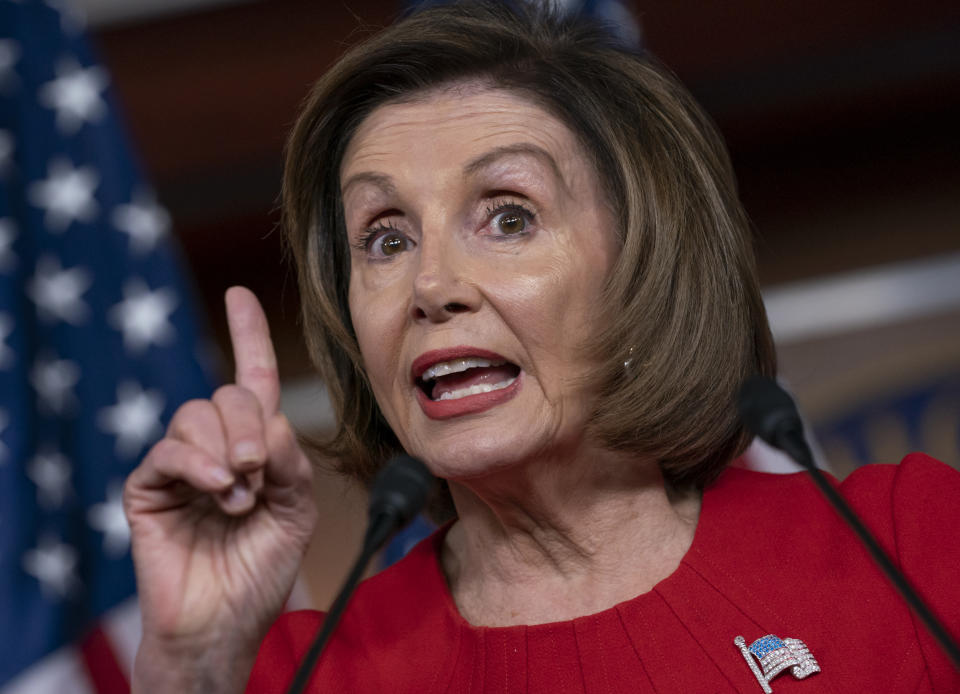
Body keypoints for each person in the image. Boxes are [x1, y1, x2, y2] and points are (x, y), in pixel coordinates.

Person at [123, 2, 960, 692]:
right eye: (384, 238)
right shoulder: (302, 674)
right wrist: (194, 666)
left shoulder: (910, 545)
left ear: (643, 266)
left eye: (509, 216)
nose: (429, 284)